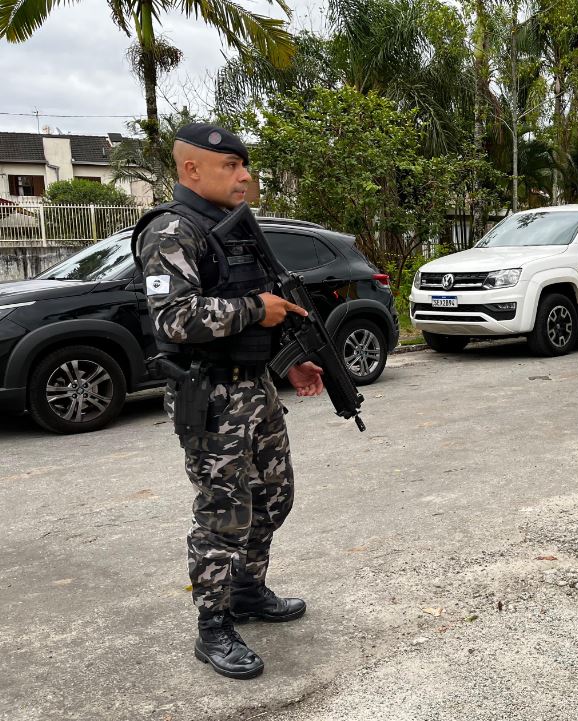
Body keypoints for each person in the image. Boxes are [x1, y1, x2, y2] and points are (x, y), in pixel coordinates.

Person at [132, 123, 325, 680]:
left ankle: (247, 590)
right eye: (230, 167)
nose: (244, 176)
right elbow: (174, 318)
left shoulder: (233, 228)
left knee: (275, 496)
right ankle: (212, 627)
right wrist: (251, 309)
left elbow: (269, 307)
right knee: (223, 515)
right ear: (191, 170)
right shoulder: (171, 232)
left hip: (255, 388)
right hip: (209, 394)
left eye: (245, 165)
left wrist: (291, 362)